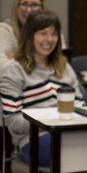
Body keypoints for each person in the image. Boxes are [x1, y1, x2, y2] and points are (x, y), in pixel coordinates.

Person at [0, 10, 82, 167]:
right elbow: (13, 121)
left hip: (69, 134)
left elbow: (78, 105)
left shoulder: (64, 67)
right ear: (30, 36)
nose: (49, 40)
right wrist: (51, 118)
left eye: (54, 34)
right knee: (84, 153)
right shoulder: (14, 71)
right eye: (43, 34)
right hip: (34, 140)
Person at [0, 0, 67, 74]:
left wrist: (17, 61)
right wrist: (42, 63)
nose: (29, 10)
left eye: (34, 5)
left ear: (42, 8)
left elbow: (60, 64)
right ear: (17, 7)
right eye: (24, 4)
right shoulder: (5, 30)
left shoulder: (52, 29)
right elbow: (3, 68)